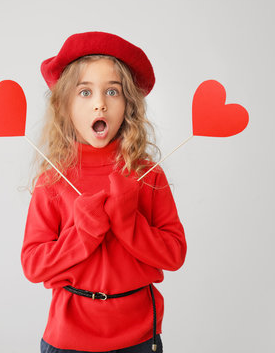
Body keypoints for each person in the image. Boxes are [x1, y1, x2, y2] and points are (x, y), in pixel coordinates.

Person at [21, 31, 187, 353]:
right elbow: (33, 264)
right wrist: (82, 235)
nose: (100, 103)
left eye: (113, 91)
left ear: (128, 105)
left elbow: (175, 254)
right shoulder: (53, 179)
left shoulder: (147, 174)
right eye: (85, 92)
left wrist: (128, 223)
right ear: (65, 105)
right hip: (69, 340)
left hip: (139, 339)